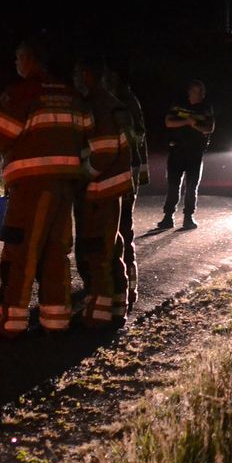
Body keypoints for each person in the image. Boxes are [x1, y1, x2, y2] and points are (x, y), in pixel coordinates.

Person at [0, 34, 94, 340]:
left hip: (30, 187)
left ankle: (10, 324)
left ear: (30, 60)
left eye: (18, 57)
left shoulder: (22, 93)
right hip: (65, 186)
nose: (15, 63)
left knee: (21, 252)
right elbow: (87, 135)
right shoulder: (71, 95)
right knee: (57, 252)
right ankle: (56, 322)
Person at [73, 57, 134, 326]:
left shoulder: (97, 105)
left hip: (99, 189)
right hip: (114, 189)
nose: (75, 79)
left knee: (96, 251)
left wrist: (82, 175)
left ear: (87, 74)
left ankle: (97, 317)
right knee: (112, 248)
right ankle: (117, 308)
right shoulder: (113, 103)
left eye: (77, 74)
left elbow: (104, 151)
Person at [104, 62, 147, 309]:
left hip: (125, 172)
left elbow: (134, 139)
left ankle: (128, 285)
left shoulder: (124, 104)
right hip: (126, 171)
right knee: (122, 228)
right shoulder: (125, 101)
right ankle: (126, 284)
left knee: (123, 228)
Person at [157, 80, 213, 230]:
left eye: (202, 92)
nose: (201, 94)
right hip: (177, 150)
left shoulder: (206, 108)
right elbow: (168, 122)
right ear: (190, 92)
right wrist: (187, 121)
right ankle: (168, 216)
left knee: (191, 186)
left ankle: (188, 217)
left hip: (195, 152)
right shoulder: (179, 105)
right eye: (197, 91)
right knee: (173, 185)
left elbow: (209, 128)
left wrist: (194, 124)